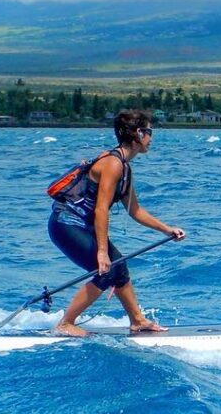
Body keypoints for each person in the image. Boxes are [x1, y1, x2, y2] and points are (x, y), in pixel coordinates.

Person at [48, 109, 186, 337]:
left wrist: (167, 229)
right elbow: (101, 210)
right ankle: (65, 323)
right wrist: (102, 252)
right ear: (139, 134)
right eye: (150, 132)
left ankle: (137, 321)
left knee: (119, 267)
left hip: (82, 226)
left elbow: (135, 210)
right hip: (66, 224)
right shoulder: (113, 164)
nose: (151, 138)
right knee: (108, 270)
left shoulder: (124, 166)